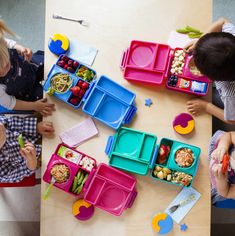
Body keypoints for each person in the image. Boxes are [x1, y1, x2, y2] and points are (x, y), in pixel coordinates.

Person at [185, 18, 235, 124]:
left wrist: (207, 106)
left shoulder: (229, 94)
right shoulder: (232, 36)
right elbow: (222, 21)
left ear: (211, 78)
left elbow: (232, 119)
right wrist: (200, 42)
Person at [0, 19, 55, 116]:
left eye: (7, 64)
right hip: (27, 92)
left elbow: (8, 43)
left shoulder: (2, 44)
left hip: (30, 66)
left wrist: (20, 48)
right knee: (49, 100)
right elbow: (11, 103)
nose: (7, 69)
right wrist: (34, 106)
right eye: (0, 73)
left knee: (51, 62)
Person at [0, 115, 54, 183]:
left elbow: (11, 123)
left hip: (30, 131)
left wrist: (36, 127)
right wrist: (31, 161)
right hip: (35, 159)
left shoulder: (2, 123)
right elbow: (21, 171)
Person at [209, 130, 235, 204]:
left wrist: (221, 180)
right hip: (216, 150)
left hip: (220, 182)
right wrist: (222, 147)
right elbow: (229, 135)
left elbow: (227, 192)